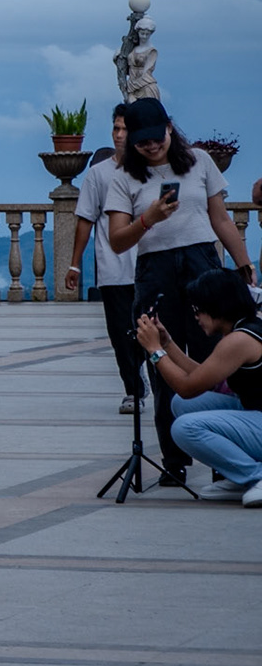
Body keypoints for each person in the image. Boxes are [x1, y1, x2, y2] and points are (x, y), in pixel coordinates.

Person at [105, 97, 254, 483]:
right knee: (162, 365)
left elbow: (220, 218)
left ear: (170, 128)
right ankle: (175, 462)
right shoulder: (124, 178)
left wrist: (243, 263)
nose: (152, 147)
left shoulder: (199, 161)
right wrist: (147, 219)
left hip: (201, 262)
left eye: (157, 138)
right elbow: (118, 241)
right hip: (155, 268)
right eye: (143, 143)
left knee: (216, 358)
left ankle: (225, 464)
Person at [135, 267, 262, 505]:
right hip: (255, 414)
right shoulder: (246, 329)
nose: (196, 317)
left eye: (198, 310)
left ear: (217, 306)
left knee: (185, 428)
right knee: (184, 405)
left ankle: (256, 476)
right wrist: (168, 344)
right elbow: (202, 379)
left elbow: (186, 385)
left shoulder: (240, 341)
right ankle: (243, 479)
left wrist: (154, 351)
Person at [65, 106, 143, 413]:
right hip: (112, 267)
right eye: (116, 129)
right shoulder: (98, 174)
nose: (120, 135)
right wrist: (75, 263)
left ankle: (160, 382)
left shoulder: (153, 171)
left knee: (153, 329)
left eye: (125, 129)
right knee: (120, 333)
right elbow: (85, 219)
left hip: (149, 265)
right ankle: (133, 389)